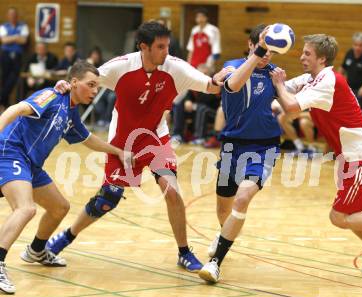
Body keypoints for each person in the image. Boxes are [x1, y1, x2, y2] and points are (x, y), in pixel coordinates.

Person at [47, 22, 228, 273]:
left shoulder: (175, 68)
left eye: (168, 46)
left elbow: (210, 85)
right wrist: (66, 85)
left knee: (172, 191)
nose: (166, 52)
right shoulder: (121, 67)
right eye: (160, 47)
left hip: (156, 139)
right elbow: (86, 79)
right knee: (107, 199)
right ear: (144, 47)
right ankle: (67, 236)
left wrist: (221, 77)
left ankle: (184, 252)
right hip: (123, 141)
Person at [271, 34, 362, 277]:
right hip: (347, 156)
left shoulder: (328, 81)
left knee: (339, 216)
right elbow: (281, 97)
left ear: (322, 58)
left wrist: (277, 86)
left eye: (307, 53)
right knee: (351, 214)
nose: (301, 56)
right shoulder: (311, 79)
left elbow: (291, 107)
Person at [0, 60, 133, 294]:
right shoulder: (52, 95)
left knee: (59, 207)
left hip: (32, 166)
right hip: (11, 152)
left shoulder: (71, 113)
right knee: (25, 208)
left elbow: (88, 139)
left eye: (97, 86)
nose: (94, 91)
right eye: (90, 85)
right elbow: (17, 109)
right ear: (73, 82)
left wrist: (118, 151)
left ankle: (36, 250)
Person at [198, 24, 281, 283]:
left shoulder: (273, 75)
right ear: (251, 44)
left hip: (263, 146)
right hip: (232, 146)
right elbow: (233, 85)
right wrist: (257, 54)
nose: (267, 55)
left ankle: (215, 263)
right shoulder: (233, 66)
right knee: (224, 208)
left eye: (271, 51)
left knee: (242, 198)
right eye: (263, 48)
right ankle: (224, 234)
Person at [0, 7, 29, 110]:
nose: (12, 16)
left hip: (18, 56)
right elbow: (3, 40)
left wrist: (10, 38)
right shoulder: (4, 26)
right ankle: (5, 102)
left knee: (14, 77)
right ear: (8, 16)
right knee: (5, 78)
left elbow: (24, 41)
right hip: (5, 55)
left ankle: (2, 100)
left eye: (14, 14)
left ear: (16, 16)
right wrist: (16, 37)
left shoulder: (23, 26)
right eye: (10, 14)